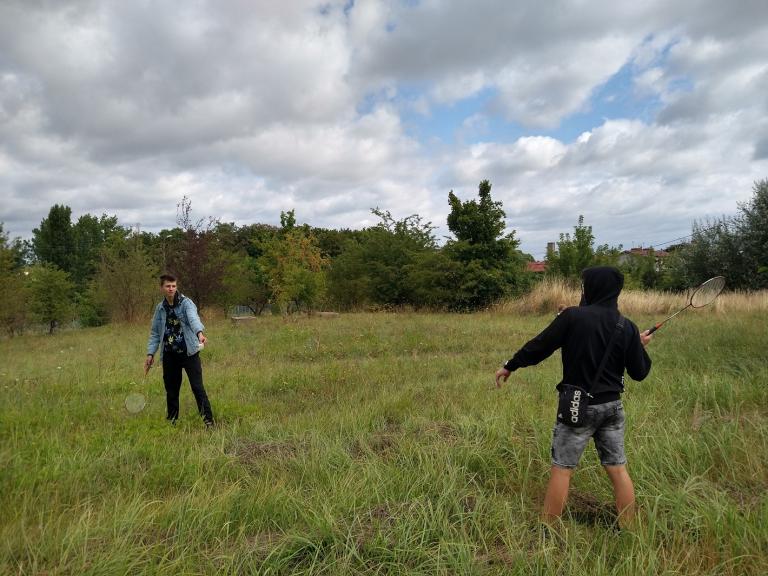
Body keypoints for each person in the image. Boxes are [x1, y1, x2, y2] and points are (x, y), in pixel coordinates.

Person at [494, 266, 652, 527]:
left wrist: (510, 364)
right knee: (618, 469)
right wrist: (636, 344)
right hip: (612, 408)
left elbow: (540, 345)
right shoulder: (627, 327)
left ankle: (547, 530)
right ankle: (629, 528)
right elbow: (640, 372)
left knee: (562, 470)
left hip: (578, 407)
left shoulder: (572, 317)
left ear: (591, 287)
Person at [144, 273, 214, 427]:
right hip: (169, 355)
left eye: (174, 286)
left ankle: (208, 421)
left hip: (189, 352)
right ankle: (172, 421)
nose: (171, 289)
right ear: (162, 288)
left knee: (197, 387)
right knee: (171, 390)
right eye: (168, 286)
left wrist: (200, 334)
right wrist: (150, 354)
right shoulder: (160, 308)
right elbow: (155, 333)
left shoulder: (186, 303)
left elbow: (193, 319)